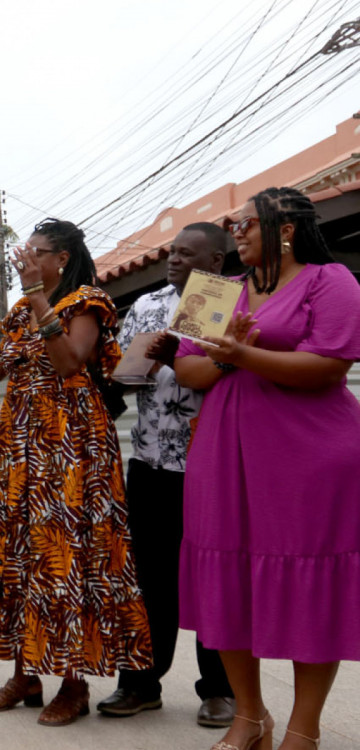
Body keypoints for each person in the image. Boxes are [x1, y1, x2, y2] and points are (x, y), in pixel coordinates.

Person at [173, 187, 360, 750]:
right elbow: (188, 372)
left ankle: (304, 729)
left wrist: (240, 355)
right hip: (224, 451)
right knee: (225, 574)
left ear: (286, 229)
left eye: (245, 223)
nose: (236, 233)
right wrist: (225, 359)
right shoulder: (213, 290)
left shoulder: (332, 281)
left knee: (309, 581)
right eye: (234, 224)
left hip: (309, 454)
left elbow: (329, 365)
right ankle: (249, 716)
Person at [0, 218, 151, 726]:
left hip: (72, 442)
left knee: (69, 556)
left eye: (34, 253)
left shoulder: (87, 302)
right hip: (20, 445)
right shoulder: (19, 311)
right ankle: (25, 674)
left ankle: (74, 684)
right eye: (23, 253)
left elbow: (70, 362)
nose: (22, 260)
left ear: (61, 259)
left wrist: (37, 299)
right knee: (20, 554)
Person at [95, 223, 234, 726]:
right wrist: (128, 376)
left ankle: (220, 689)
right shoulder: (146, 306)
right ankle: (140, 683)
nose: (173, 259)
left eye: (187, 253)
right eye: (172, 252)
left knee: (212, 579)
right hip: (150, 464)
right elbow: (122, 380)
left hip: (208, 466)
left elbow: (229, 377)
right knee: (148, 579)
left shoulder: (228, 304)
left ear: (215, 262)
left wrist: (177, 355)